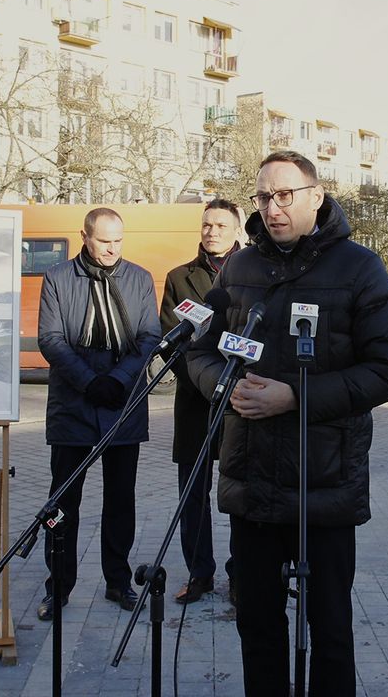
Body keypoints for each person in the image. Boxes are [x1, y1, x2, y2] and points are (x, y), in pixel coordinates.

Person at [186, 150, 388, 697]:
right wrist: (225, 384)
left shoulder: (360, 268)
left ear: (316, 195)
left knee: (329, 628)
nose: (273, 207)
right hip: (252, 476)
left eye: (285, 195)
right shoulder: (239, 268)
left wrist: (296, 397)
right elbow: (201, 350)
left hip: (324, 483)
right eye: (264, 196)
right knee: (256, 623)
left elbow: (386, 371)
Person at [36, 207, 161, 621]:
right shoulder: (57, 278)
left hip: (123, 402)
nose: (112, 249)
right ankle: (59, 586)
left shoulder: (140, 278)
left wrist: (119, 380)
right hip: (74, 402)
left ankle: (118, 581)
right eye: (104, 240)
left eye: (118, 240)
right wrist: (89, 381)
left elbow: (149, 337)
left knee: (120, 499)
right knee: (63, 502)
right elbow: (51, 339)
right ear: (85, 237)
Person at [160, 198, 242, 605]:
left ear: (237, 230)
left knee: (242, 494)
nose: (212, 232)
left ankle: (242, 574)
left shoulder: (255, 274)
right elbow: (171, 343)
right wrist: (203, 379)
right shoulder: (179, 278)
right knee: (192, 495)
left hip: (242, 404)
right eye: (207, 224)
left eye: (221, 226)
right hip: (194, 401)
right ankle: (199, 573)